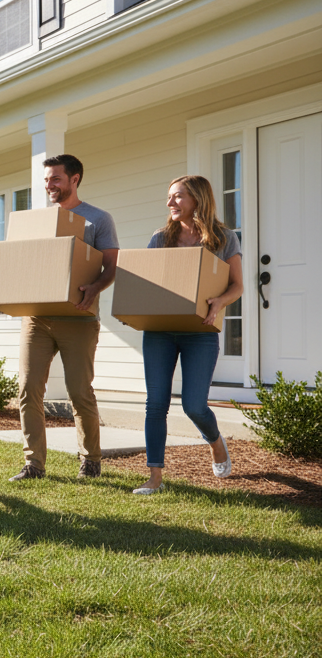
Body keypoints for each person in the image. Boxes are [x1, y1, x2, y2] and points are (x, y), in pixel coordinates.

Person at [11, 154, 121, 482]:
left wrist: (94, 289)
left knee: (79, 391)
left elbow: (111, 267)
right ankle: (34, 464)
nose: (49, 186)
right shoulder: (39, 221)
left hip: (79, 317)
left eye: (55, 179)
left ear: (74, 179)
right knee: (28, 389)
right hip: (38, 317)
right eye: (46, 180)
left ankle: (91, 459)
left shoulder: (98, 219)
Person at [133, 175, 244, 494]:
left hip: (201, 331)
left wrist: (220, 301)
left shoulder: (223, 238)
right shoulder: (160, 238)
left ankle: (216, 442)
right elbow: (147, 283)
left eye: (178, 196)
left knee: (195, 405)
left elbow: (237, 284)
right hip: (160, 333)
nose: (170, 203)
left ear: (198, 199)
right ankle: (155, 477)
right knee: (156, 404)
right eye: (169, 197)